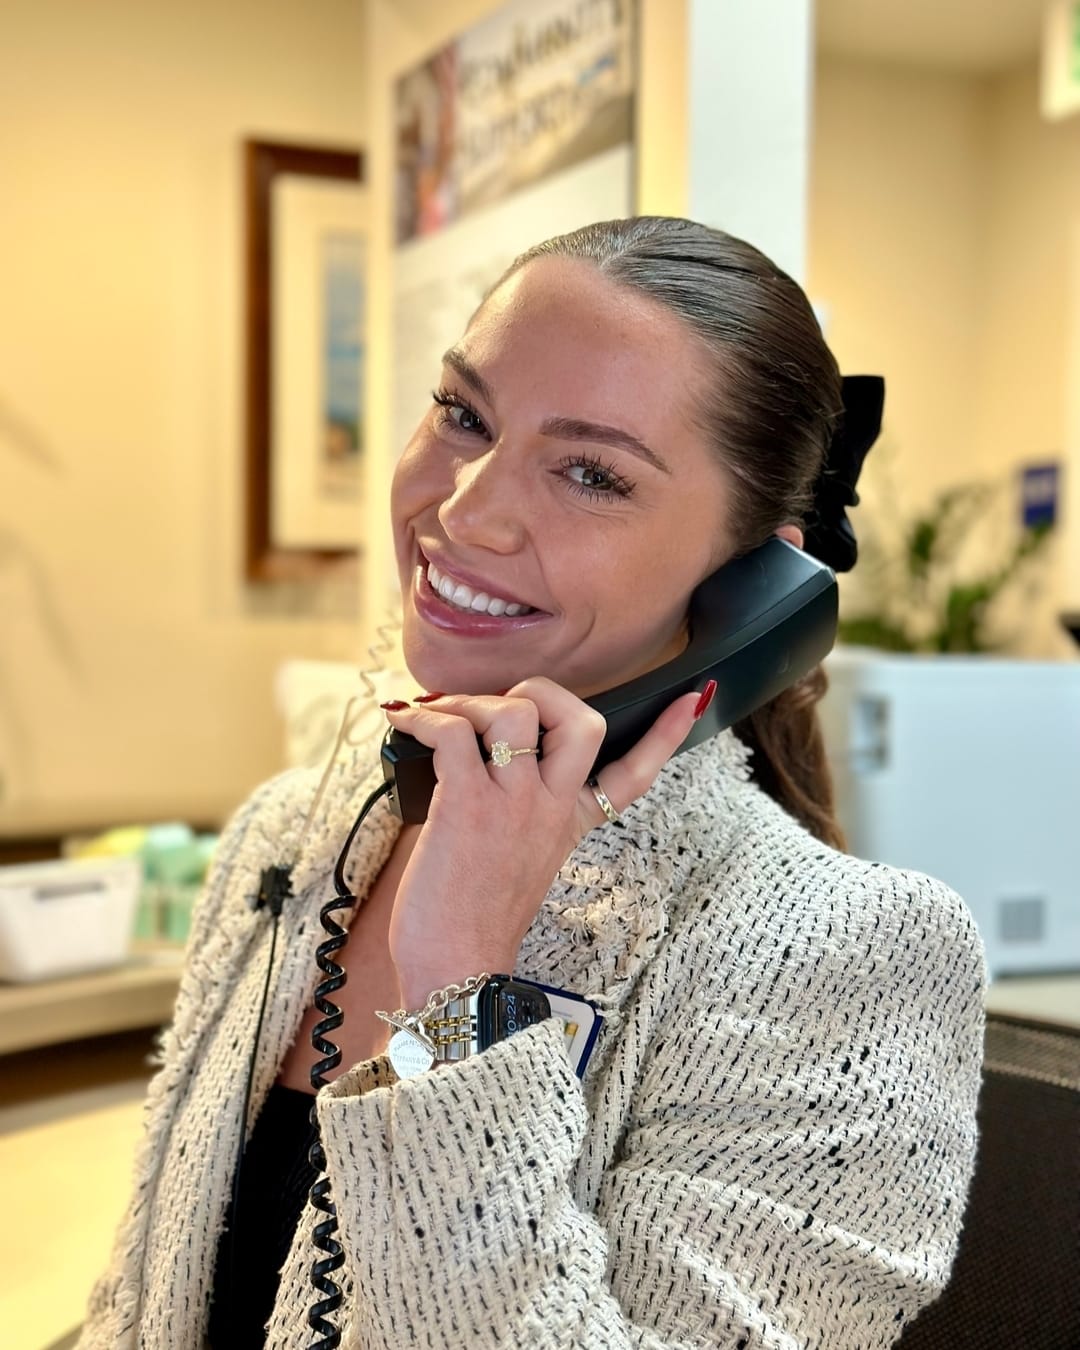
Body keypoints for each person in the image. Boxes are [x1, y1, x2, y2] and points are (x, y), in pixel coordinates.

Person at [78, 217, 985, 1350]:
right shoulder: (295, 833)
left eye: (592, 474)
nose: (463, 511)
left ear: (754, 585)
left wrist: (463, 994)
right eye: (463, 414)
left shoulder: (848, 955)